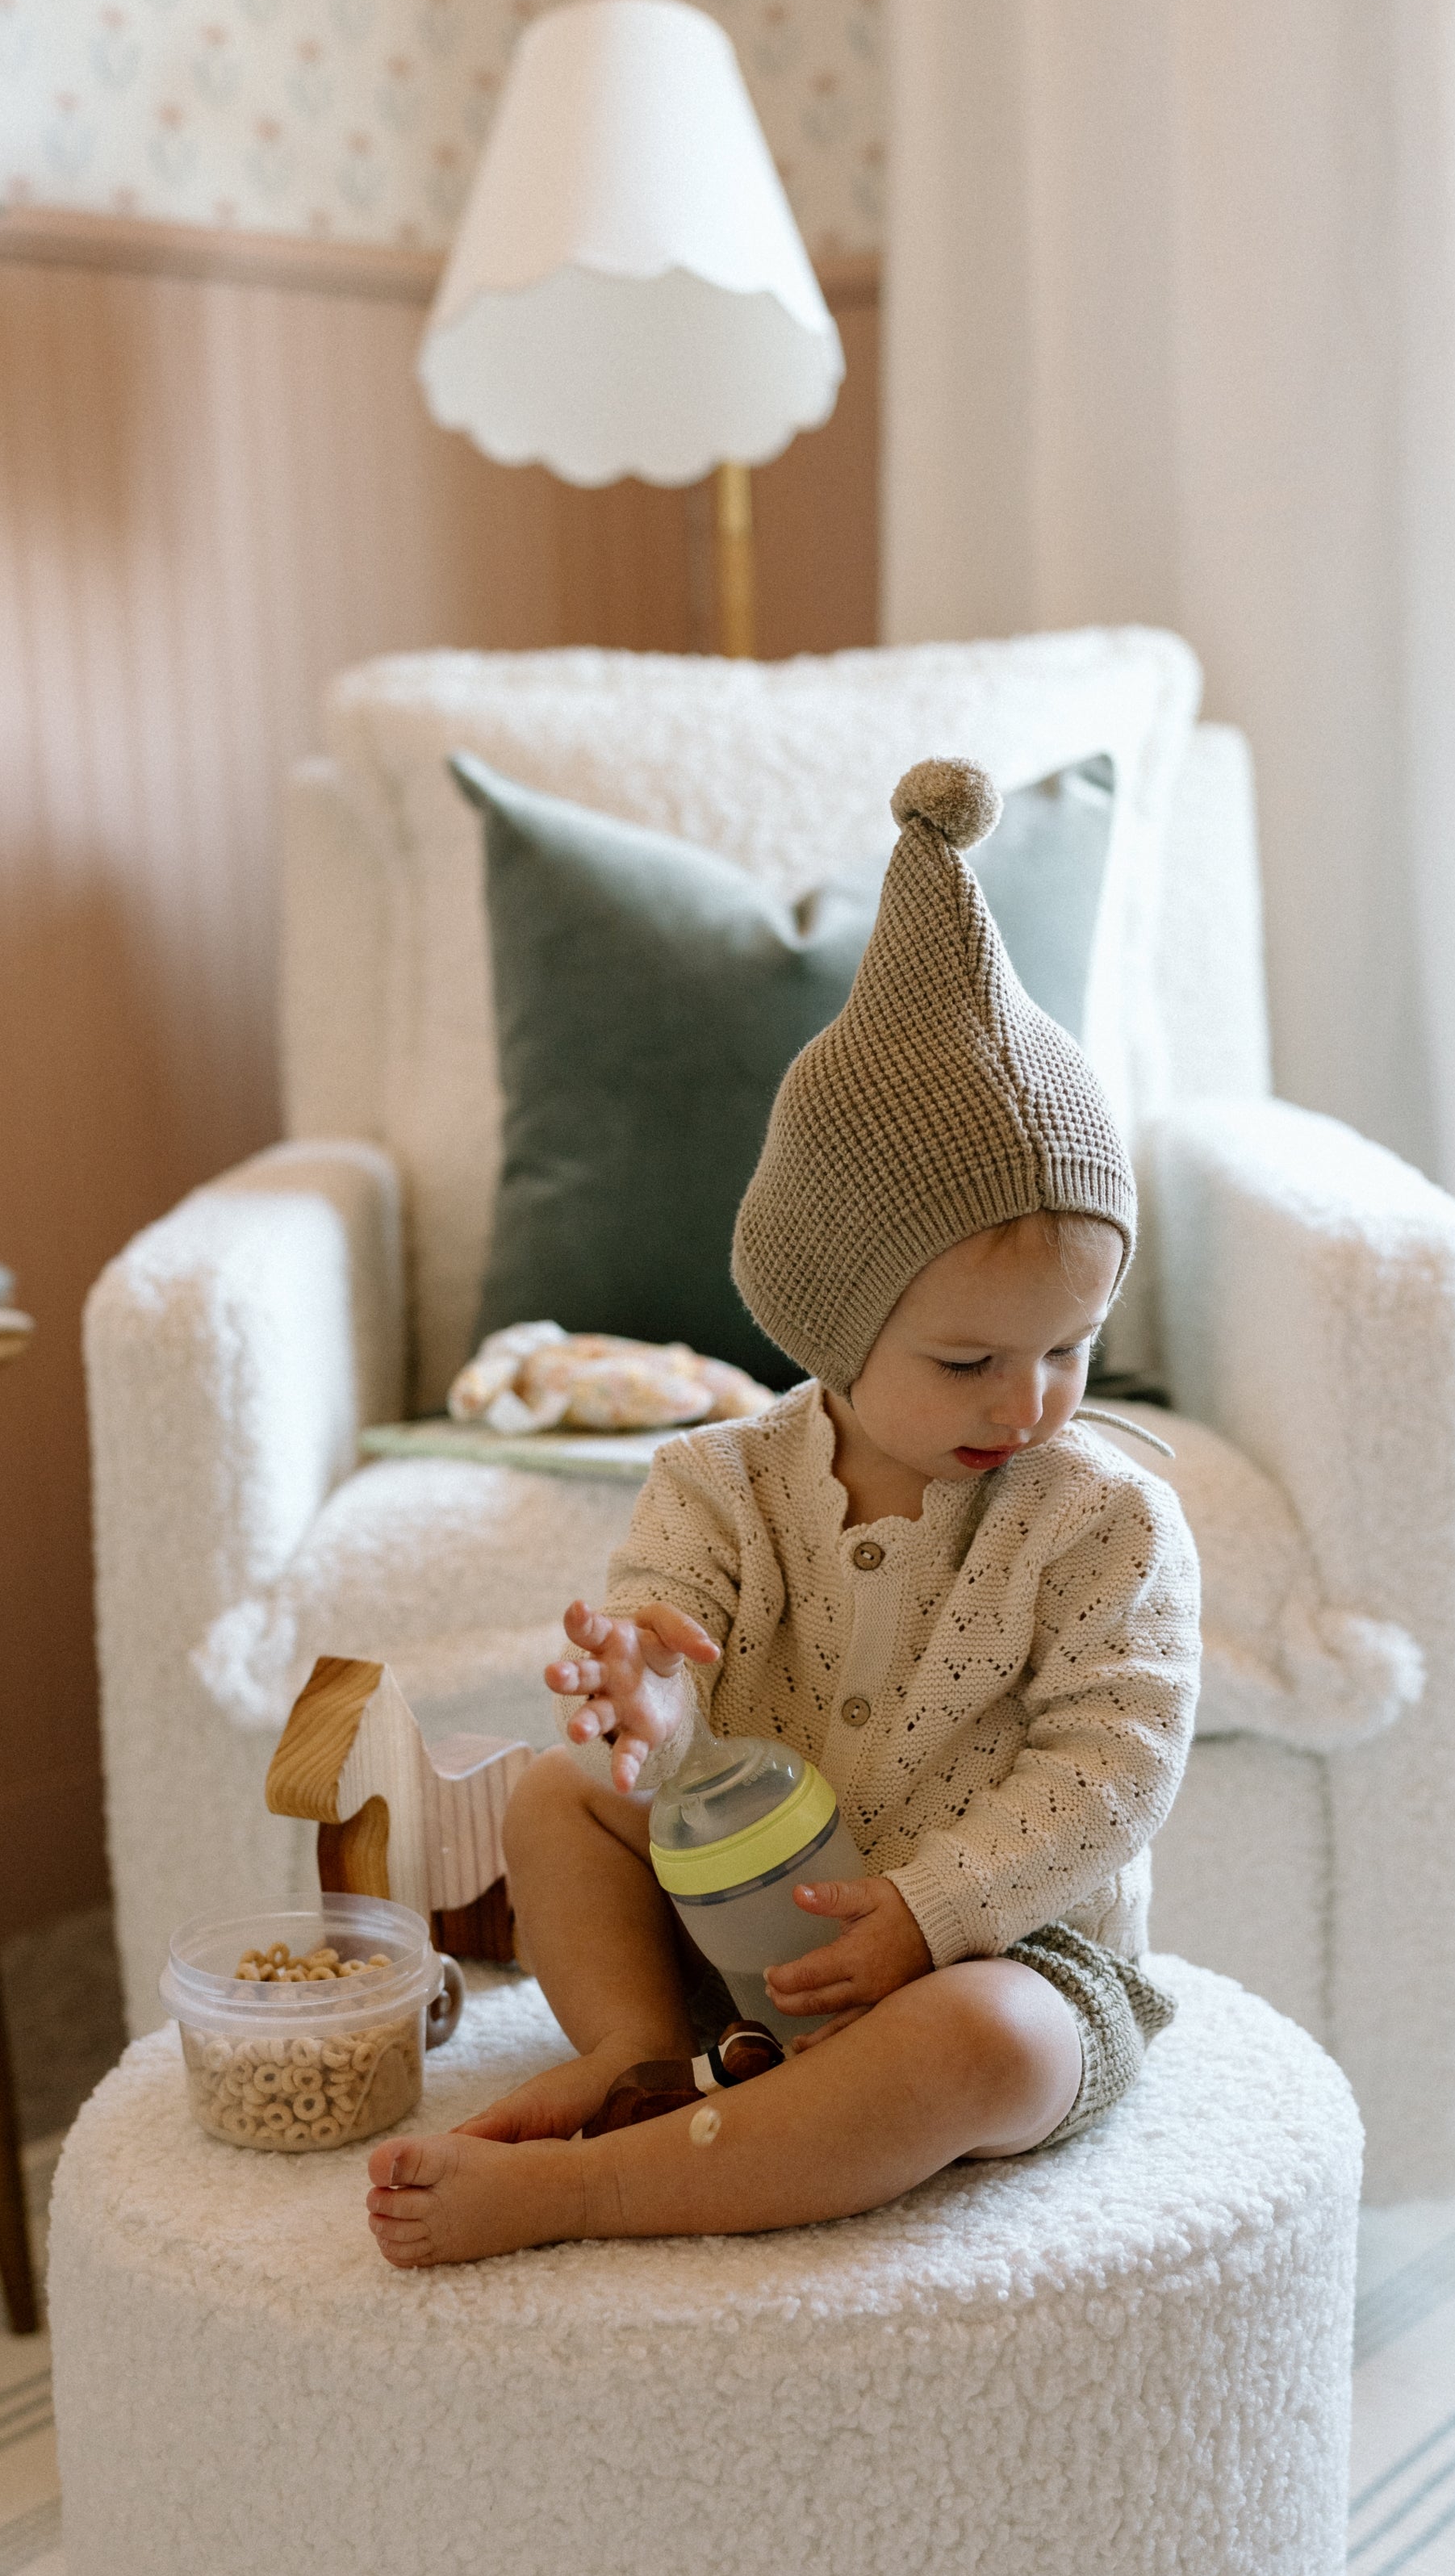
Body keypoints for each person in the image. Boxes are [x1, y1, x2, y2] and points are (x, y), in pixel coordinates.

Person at [368, 756, 1201, 2269]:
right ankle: (627, 2055)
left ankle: (596, 2189)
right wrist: (644, 1696)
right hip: (734, 1934)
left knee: (983, 2051)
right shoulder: (718, 1481)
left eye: (1068, 1350)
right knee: (555, 1799)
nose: (1028, 1405)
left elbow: (1113, 1766)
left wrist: (932, 1908)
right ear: (830, 1321)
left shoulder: (1102, 1522)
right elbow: (665, 1675)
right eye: (968, 1361)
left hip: (1005, 1951)